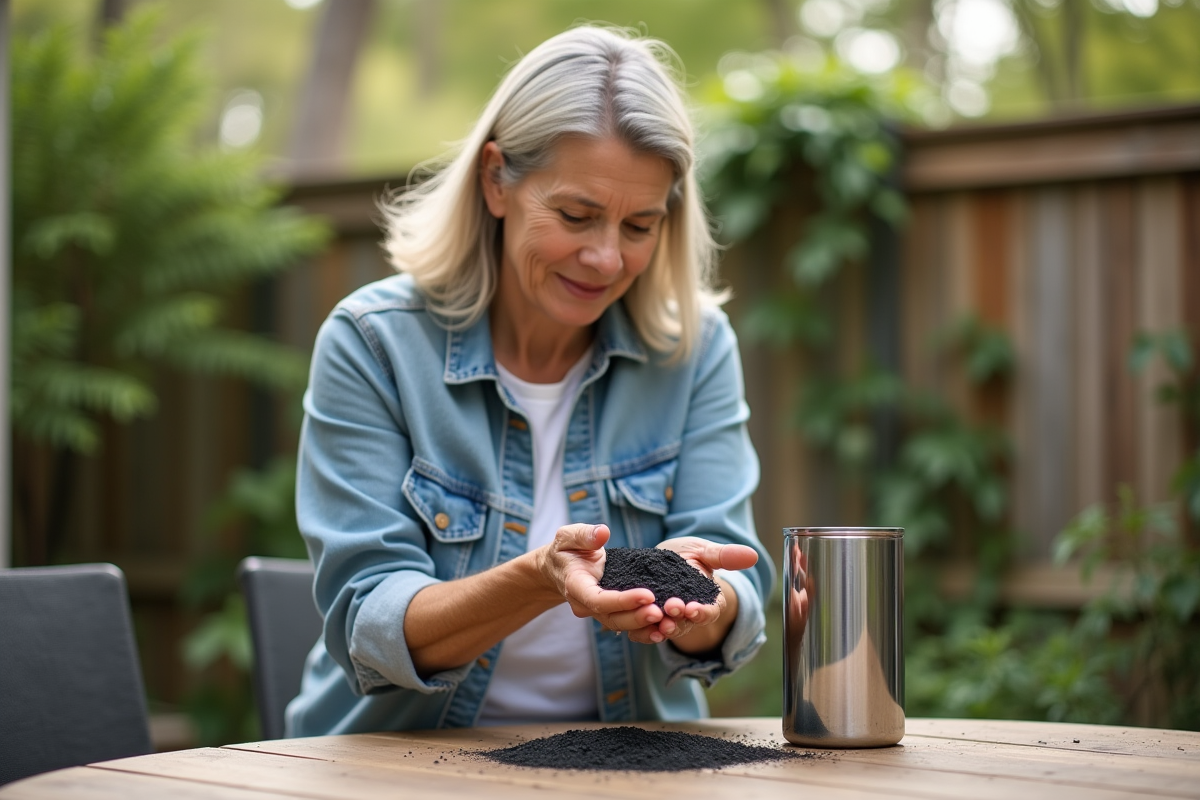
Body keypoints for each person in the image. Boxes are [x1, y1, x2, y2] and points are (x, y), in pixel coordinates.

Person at [286, 24, 774, 736]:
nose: (606, 258)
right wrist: (541, 577)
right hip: (396, 764)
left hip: (629, 766)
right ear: (496, 181)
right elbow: (371, 621)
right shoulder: (374, 343)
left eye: (639, 226)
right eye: (576, 216)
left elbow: (736, 594)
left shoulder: (694, 350)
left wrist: (696, 602)